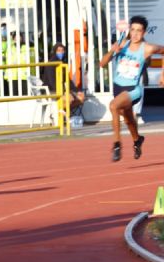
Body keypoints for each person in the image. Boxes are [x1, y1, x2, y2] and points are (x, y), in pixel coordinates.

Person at [100, 15, 164, 162]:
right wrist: (112, 51)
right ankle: (137, 140)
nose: (135, 34)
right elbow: (102, 64)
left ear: (144, 33)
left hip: (133, 90)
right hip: (117, 88)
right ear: (129, 30)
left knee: (113, 106)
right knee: (129, 120)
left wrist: (162, 73)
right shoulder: (122, 44)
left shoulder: (147, 48)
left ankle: (117, 145)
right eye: (133, 30)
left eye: (139, 31)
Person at [40, 43, 85, 110]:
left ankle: (65, 115)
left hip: (60, 90)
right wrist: (65, 92)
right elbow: (52, 82)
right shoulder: (51, 64)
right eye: (58, 50)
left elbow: (68, 80)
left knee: (81, 98)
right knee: (69, 98)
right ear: (55, 51)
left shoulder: (62, 64)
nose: (61, 52)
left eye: (62, 50)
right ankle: (58, 115)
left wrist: (77, 90)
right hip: (50, 91)